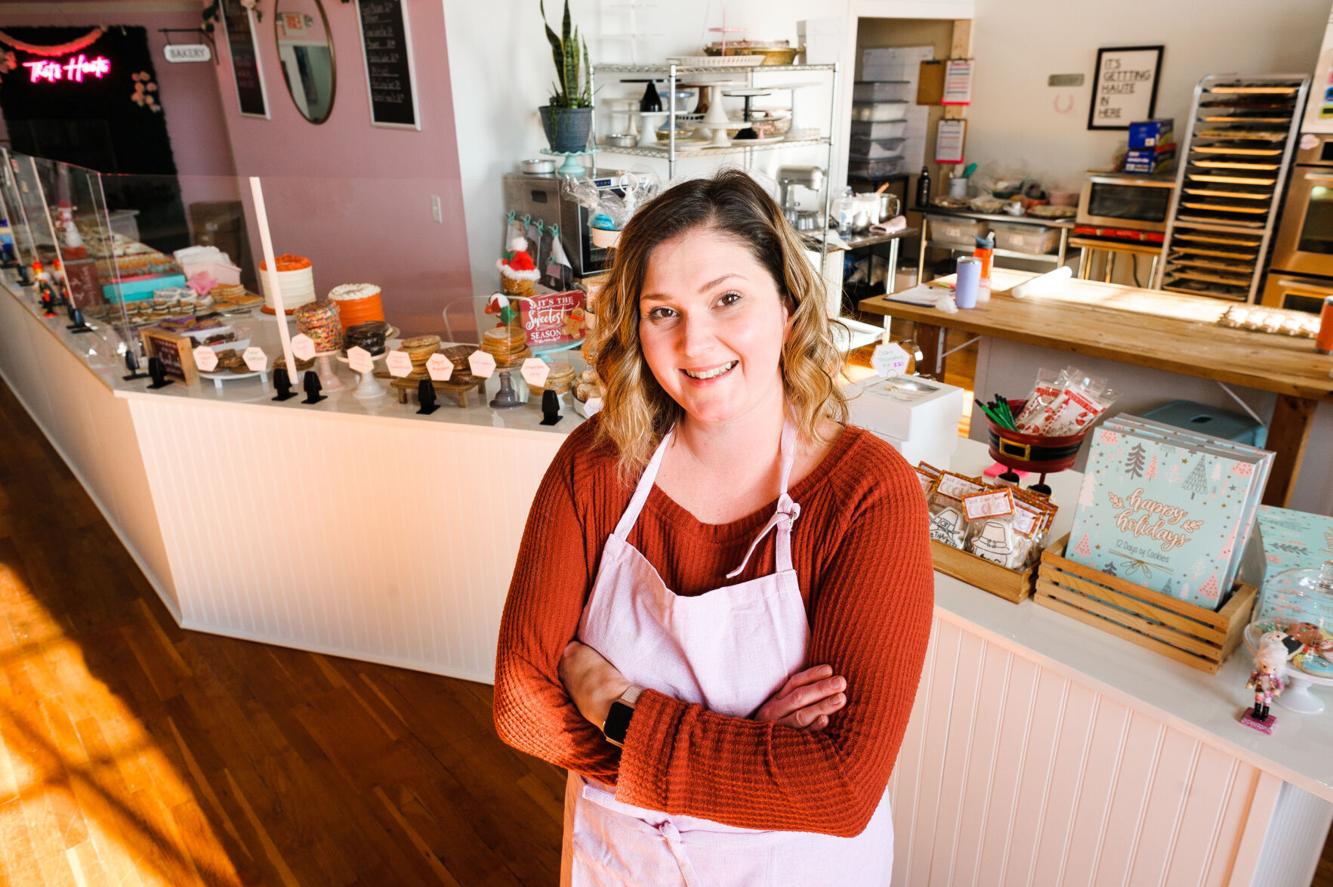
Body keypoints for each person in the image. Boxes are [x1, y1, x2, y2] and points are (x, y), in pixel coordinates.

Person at [493, 169, 933, 885]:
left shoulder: (867, 492)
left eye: (727, 299)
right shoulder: (596, 463)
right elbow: (520, 703)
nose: (696, 345)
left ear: (787, 306)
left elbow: (840, 787)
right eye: (662, 311)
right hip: (623, 862)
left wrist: (615, 706)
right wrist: (753, 753)